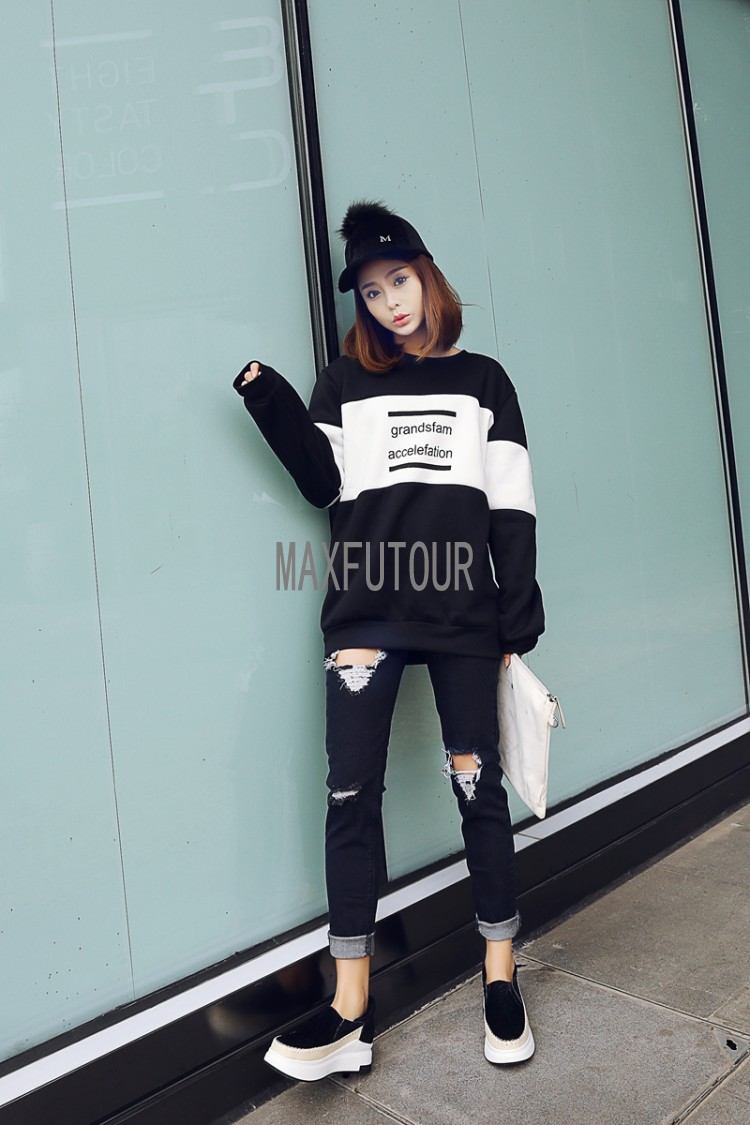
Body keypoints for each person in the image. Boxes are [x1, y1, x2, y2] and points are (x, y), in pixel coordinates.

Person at [233, 200, 544, 1081]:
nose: (389, 302)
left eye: (398, 280)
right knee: (348, 796)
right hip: (366, 610)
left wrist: (517, 618)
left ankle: (499, 977)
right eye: (371, 292)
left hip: (464, 615)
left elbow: (512, 508)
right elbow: (321, 482)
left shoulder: (484, 381)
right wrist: (269, 396)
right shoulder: (344, 383)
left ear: (426, 275)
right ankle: (350, 1007)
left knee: (478, 790)